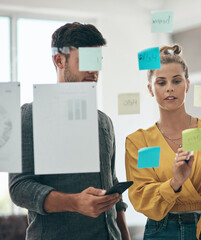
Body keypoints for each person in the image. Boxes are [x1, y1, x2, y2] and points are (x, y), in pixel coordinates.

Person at [8, 22, 131, 240]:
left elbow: (111, 184)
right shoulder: (27, 116)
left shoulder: (104, 121)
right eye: (86, 61)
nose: (94, 70)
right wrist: (75, 202)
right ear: (59, 60)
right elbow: (19, 188)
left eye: (97, 62)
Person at [125, 44, 201, 240]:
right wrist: (175, 182)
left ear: (187, 85)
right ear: (150, 89)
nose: (169, 88)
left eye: (177, 81)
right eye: (161, 82)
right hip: (161, 231)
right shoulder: (138, 141)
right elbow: (141, 197)